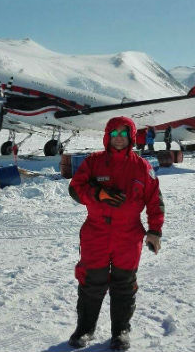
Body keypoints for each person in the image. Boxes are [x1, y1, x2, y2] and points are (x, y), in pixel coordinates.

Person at [68, 116, 165, 350]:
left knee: (124, 283)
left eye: (123, 134)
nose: (119, 138)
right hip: (96, 232)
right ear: (107, 136)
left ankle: (120, 331)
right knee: (92, 282)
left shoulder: (142, 167)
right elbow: (74, 189)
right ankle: (85, 329)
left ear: (131, 137)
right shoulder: (93, 162)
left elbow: (155, 200)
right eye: (114, 134)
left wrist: (154, 231)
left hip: (128, 235)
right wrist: (98, 193)